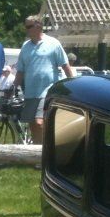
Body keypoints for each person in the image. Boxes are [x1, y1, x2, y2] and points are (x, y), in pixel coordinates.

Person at [14, 15, 75, 143]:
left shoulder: (53, 43)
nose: (26, 29)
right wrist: (13, 87)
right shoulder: (25, 46)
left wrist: (74, 85)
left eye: (29, 26)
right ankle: (38, 152)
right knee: (32, 125)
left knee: (39, 122)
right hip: (30, 92)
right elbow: (20, 70)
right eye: (26, 26)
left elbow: (65, 65)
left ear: (39, 26)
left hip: (47, 90)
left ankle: (46, 149)